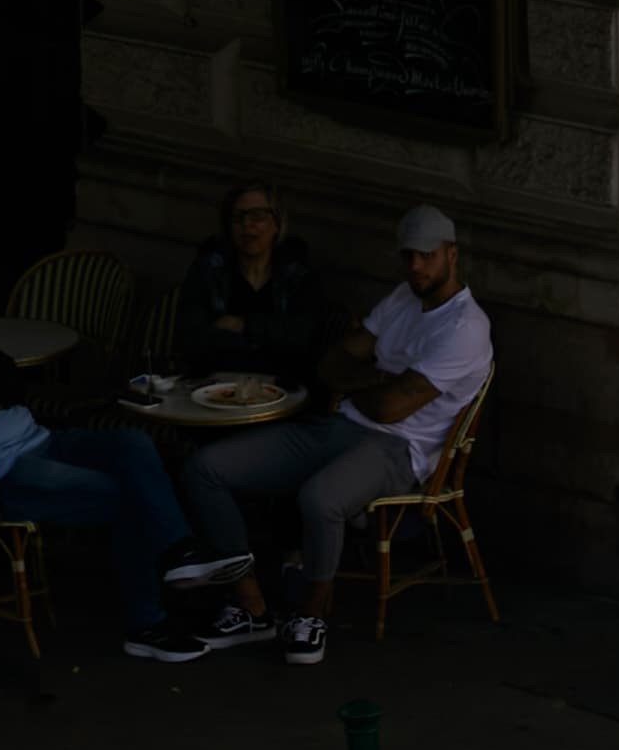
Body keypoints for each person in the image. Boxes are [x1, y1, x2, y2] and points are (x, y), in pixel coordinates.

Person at [167, 206, 492, 670]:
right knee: (206, 469)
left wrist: (366, 379)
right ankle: (252, 606)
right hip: (342, 424)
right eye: (408, 257)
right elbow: (331, 364)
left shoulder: (466, 327)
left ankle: (311, 611)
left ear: (452, 255)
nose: (415, 266)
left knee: (320, 499)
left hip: (400, 449)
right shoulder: (403, 296)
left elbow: (390, 407)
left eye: (426, 256)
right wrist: (377, 379)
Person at [0, 241, 205, 661]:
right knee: (131, 496)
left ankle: (181, 551)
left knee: (133, 444)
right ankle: (149, 624)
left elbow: (7, 374)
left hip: (40, 438)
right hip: (5, 471)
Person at [171, 176, 339, 389]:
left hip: (280, 390)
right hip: (213, 387)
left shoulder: (298, 276)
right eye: (238, 217)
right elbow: (191, 338)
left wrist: (242, 325)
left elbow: (303, 339)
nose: (246, 225)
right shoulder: (208, 271)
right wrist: (264, 339)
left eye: (257, 216)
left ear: (276, 224)